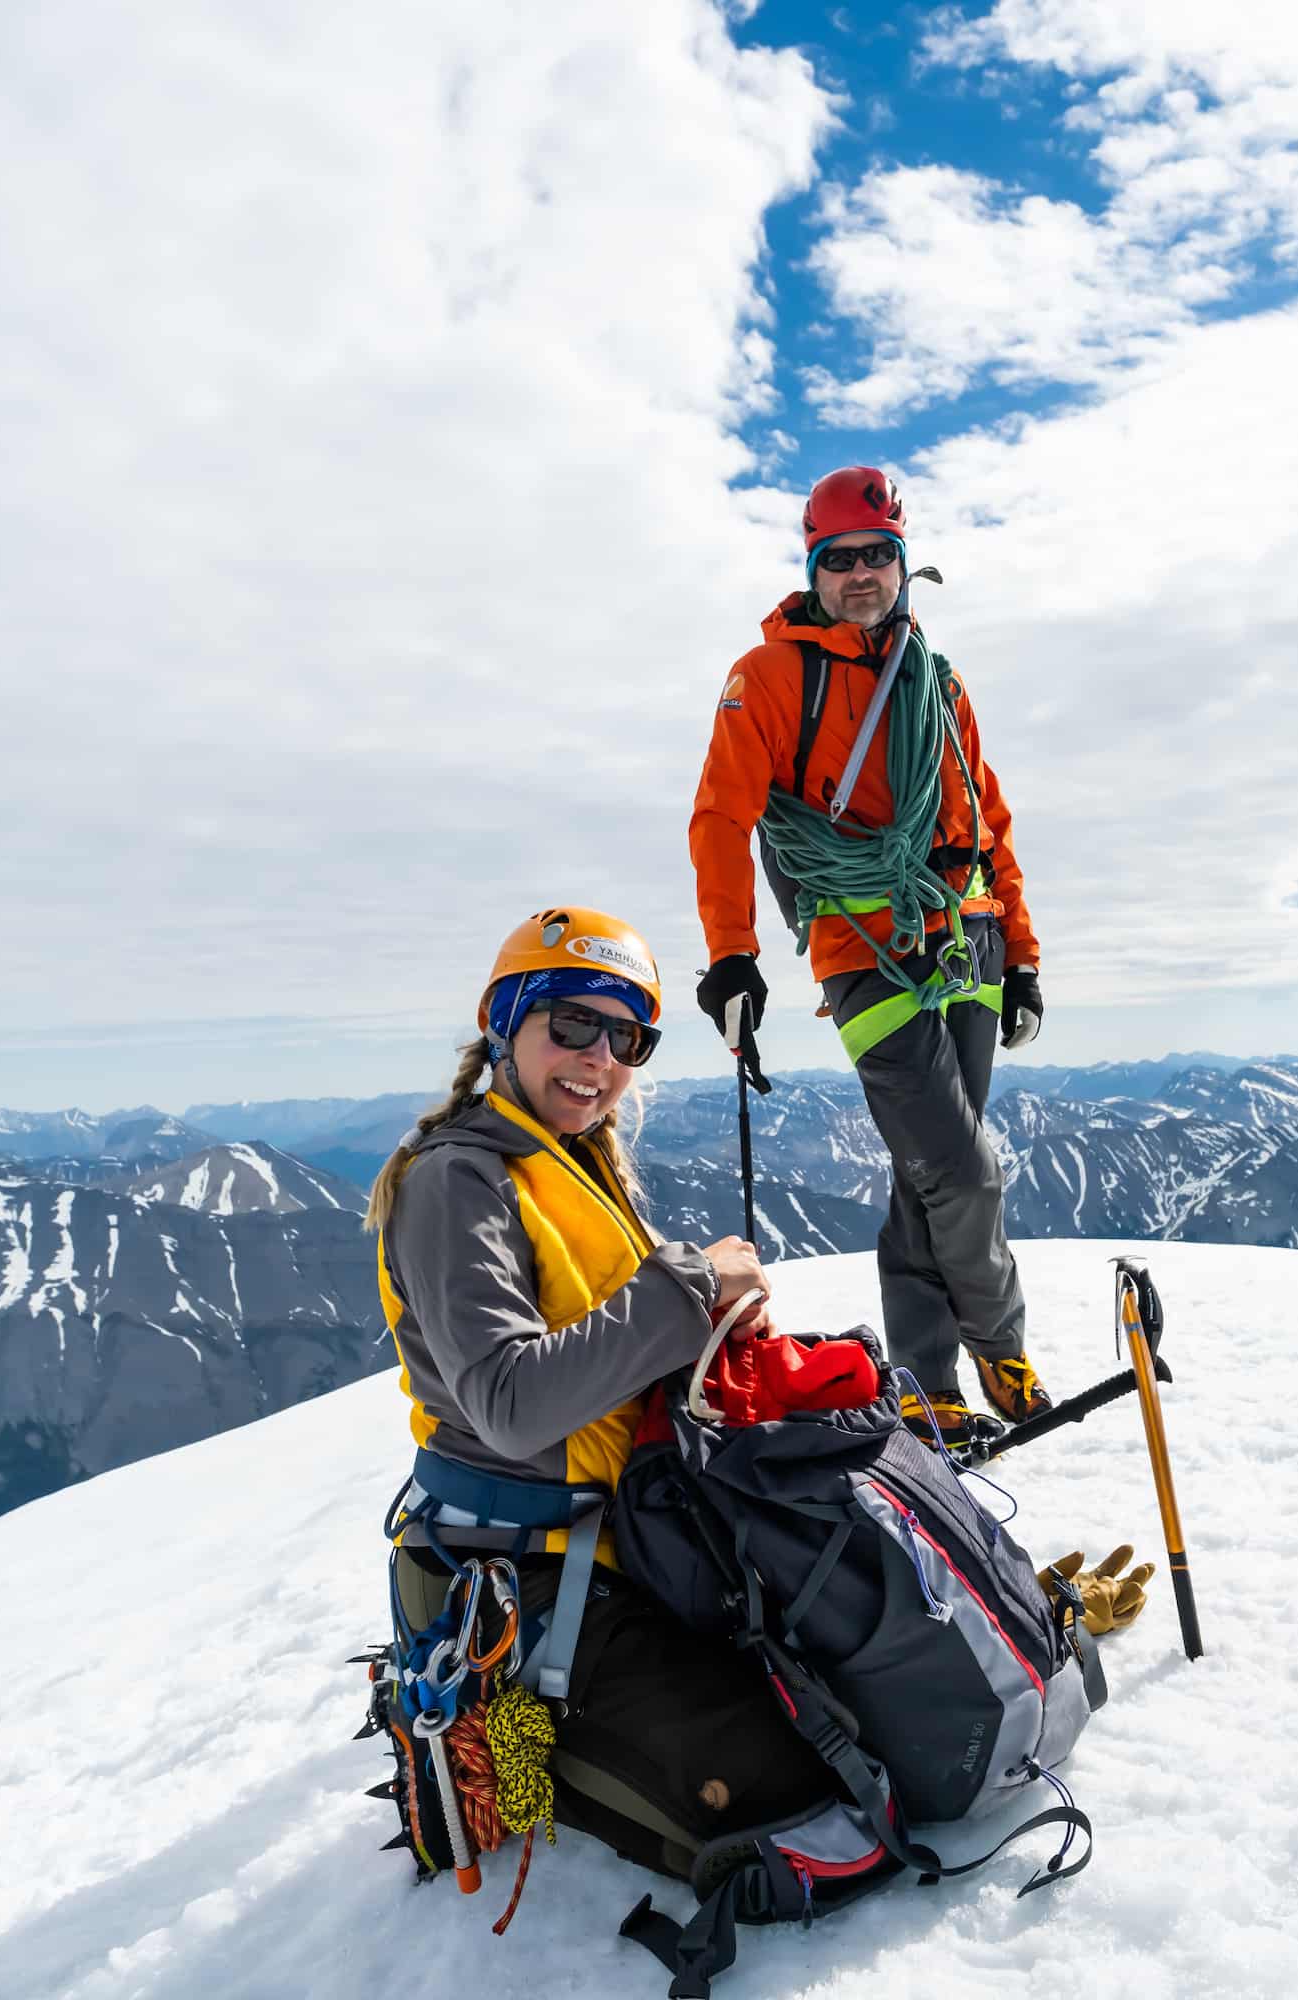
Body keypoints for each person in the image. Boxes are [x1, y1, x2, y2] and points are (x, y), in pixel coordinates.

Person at [364, 905, 843, 1881]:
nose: (599, 1054)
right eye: (571, 1022)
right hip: (521, 1573)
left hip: (628, 1534)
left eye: (626, 1035)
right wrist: (685, 1289)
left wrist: (706, 1324)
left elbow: (600, 1347)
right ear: (506, 1019)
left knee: (848, 1688)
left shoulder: (566, 1161)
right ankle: (526, 1743)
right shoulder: (457, 1181)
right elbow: (509, 1398)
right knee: (775, 1787)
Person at [690, 464, 1048, 1447]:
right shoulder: (766, 677)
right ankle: (999, 1347)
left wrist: (1018, 952)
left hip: (963, 929)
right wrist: (732, 954)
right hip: (861, 946)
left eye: (876, 555)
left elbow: (984, 814)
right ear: (812, 567)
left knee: (923, 1169)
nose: (859, 574)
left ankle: (926, 1380)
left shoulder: (938, 679)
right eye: (838, 558)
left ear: (901, 562)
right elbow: (722, 816)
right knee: (962, 1169)